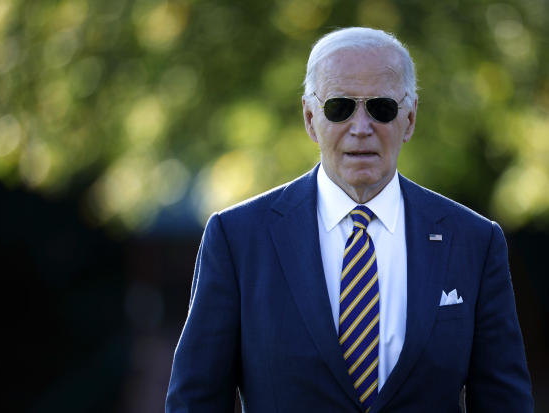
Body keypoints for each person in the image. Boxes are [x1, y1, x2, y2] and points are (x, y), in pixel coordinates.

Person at [165, 27, 533, 413]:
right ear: (310, 118)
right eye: (339, 107)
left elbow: (504, 402)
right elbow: (196, 402)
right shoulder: (237, 239)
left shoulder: (473, 241)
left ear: (409, 119)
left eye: (381, 108)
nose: (361, 128)